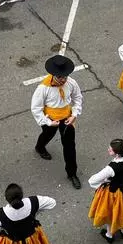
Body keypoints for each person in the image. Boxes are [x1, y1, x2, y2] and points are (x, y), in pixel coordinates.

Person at [31, 55, 84, 189]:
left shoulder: (71, 83)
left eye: (65, 77)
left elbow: (78, 98)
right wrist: (48, 122)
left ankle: (72, 173)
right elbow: (36, 108)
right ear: (53, 74)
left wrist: (75, 114)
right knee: (47, 135)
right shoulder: (43, 88)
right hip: (50, 119)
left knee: (69, 146)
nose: (63, 80)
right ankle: (40, 147)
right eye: (60, 77)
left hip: (67, 118)